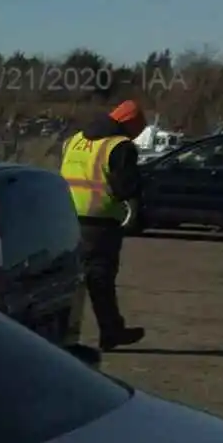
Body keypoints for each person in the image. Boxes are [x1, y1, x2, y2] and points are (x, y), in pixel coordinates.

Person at [61, 98, 148, 350]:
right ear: (131, 125)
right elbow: (126, 188)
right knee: (100, 279)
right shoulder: (119, 146)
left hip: (67, 214)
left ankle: (63, 330)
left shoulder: (77, 138)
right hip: (101, 221)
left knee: (69, 278)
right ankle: (111, 331)